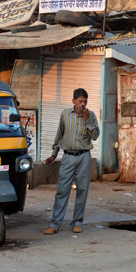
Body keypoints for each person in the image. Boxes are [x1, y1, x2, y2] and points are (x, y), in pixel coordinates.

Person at [44, 88, 100, 235]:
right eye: (80, 101)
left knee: (82, 190)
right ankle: (55, 224)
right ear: (73, 101)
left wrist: (87, 119)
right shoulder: (65, 114)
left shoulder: (91, 115)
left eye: (85, 102)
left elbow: (95, 136)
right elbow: (60, 134)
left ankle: (77, 222)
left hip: (84, 157)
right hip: (68, 156)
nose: (82, 104)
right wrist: (53, 154)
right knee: (62, 190)